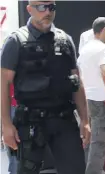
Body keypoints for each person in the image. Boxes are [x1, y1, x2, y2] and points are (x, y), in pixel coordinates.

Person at [0, 1, 90, 174]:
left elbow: (76, 82)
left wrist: (85, 120)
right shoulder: (15, 41)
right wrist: (6, 124)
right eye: (42, 7)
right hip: (30, 122)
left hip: (64, 120)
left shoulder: (65, 40)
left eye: (51, 7)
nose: (47, 12)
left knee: (76, 169)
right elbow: (3, 84)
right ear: (29, 9)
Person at [77, 17, 105, 174]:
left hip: (86, 99)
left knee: (88, 139)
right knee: (100, 141)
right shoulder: (103, 49)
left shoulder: (84, 49)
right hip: (101, 100)